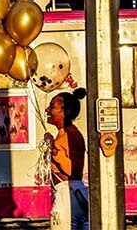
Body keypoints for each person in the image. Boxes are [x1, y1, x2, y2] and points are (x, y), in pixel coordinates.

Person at [45, 87, 89, 230]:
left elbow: (73, 170)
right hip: (67, 193)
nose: (47, 110)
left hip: (68, 193)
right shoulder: (64, 133)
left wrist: (54, 151)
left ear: (66, 112)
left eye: (52, 107)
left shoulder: (72, 135)